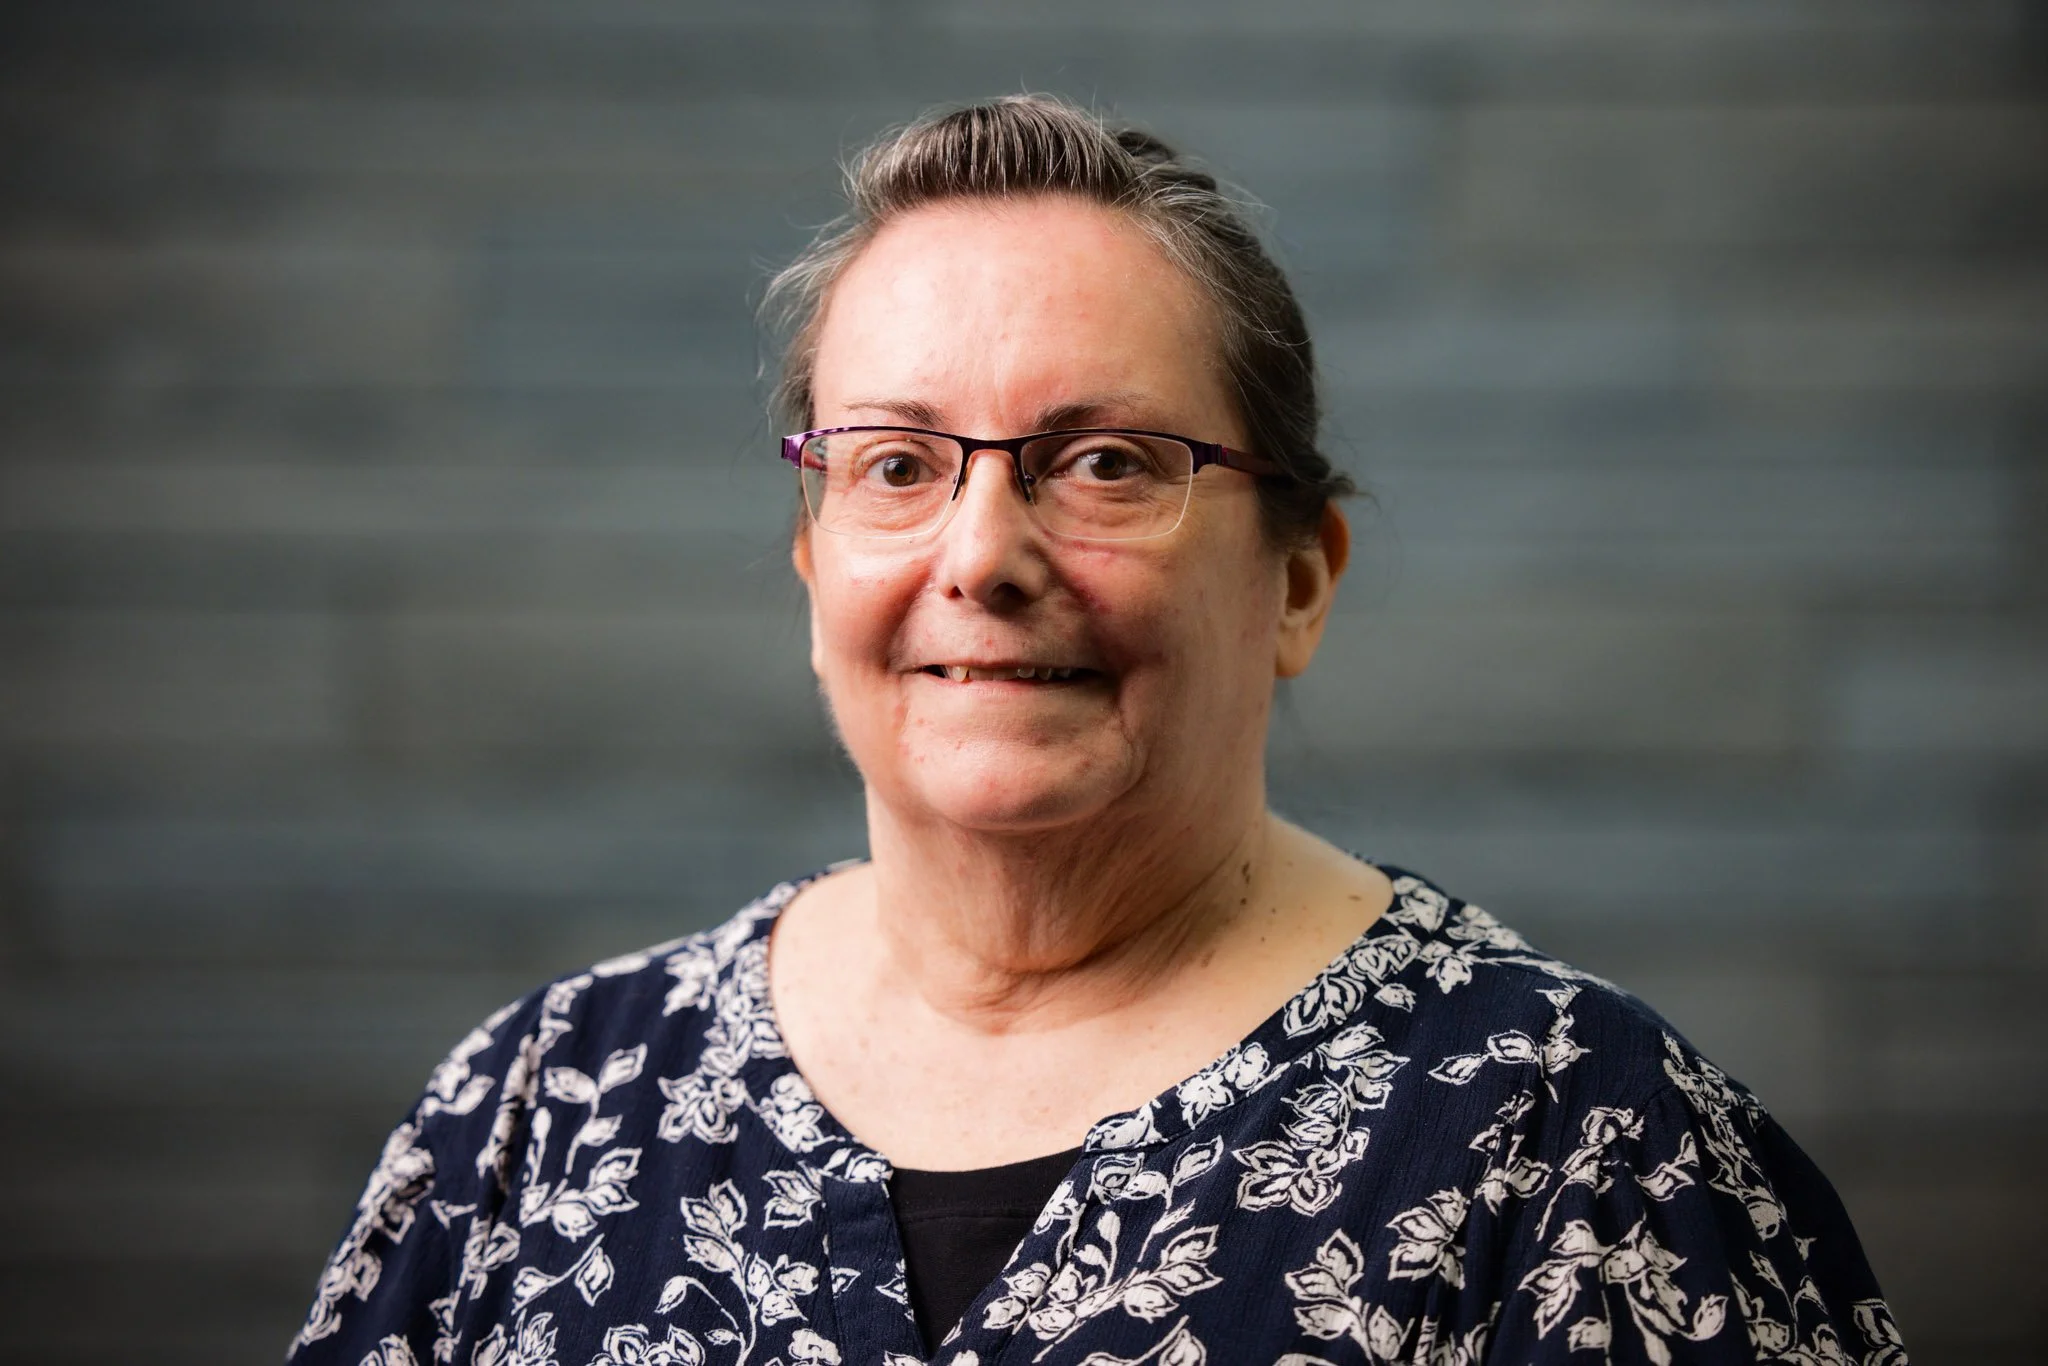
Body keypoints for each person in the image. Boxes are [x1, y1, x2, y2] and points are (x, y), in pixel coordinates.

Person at [288, 96, 1906, 1366]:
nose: (982, 555)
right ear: (811, 559)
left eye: (1107, 463)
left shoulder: (1579, 1146)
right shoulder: (543, 1109)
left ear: (1297, 581)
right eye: (898, 465)